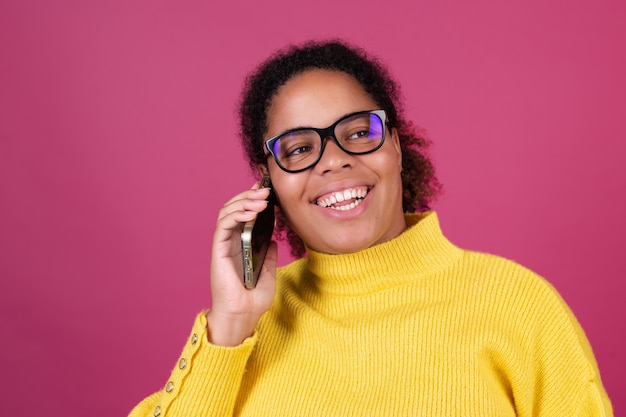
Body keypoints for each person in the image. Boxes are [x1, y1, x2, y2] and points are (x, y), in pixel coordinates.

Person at [129, 40, 613, 416]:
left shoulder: (519, 305)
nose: (335, 160)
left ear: (396, 146)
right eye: (298, 149)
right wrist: (230, 326)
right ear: (269, 181)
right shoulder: (246, 328)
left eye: (359, 132)